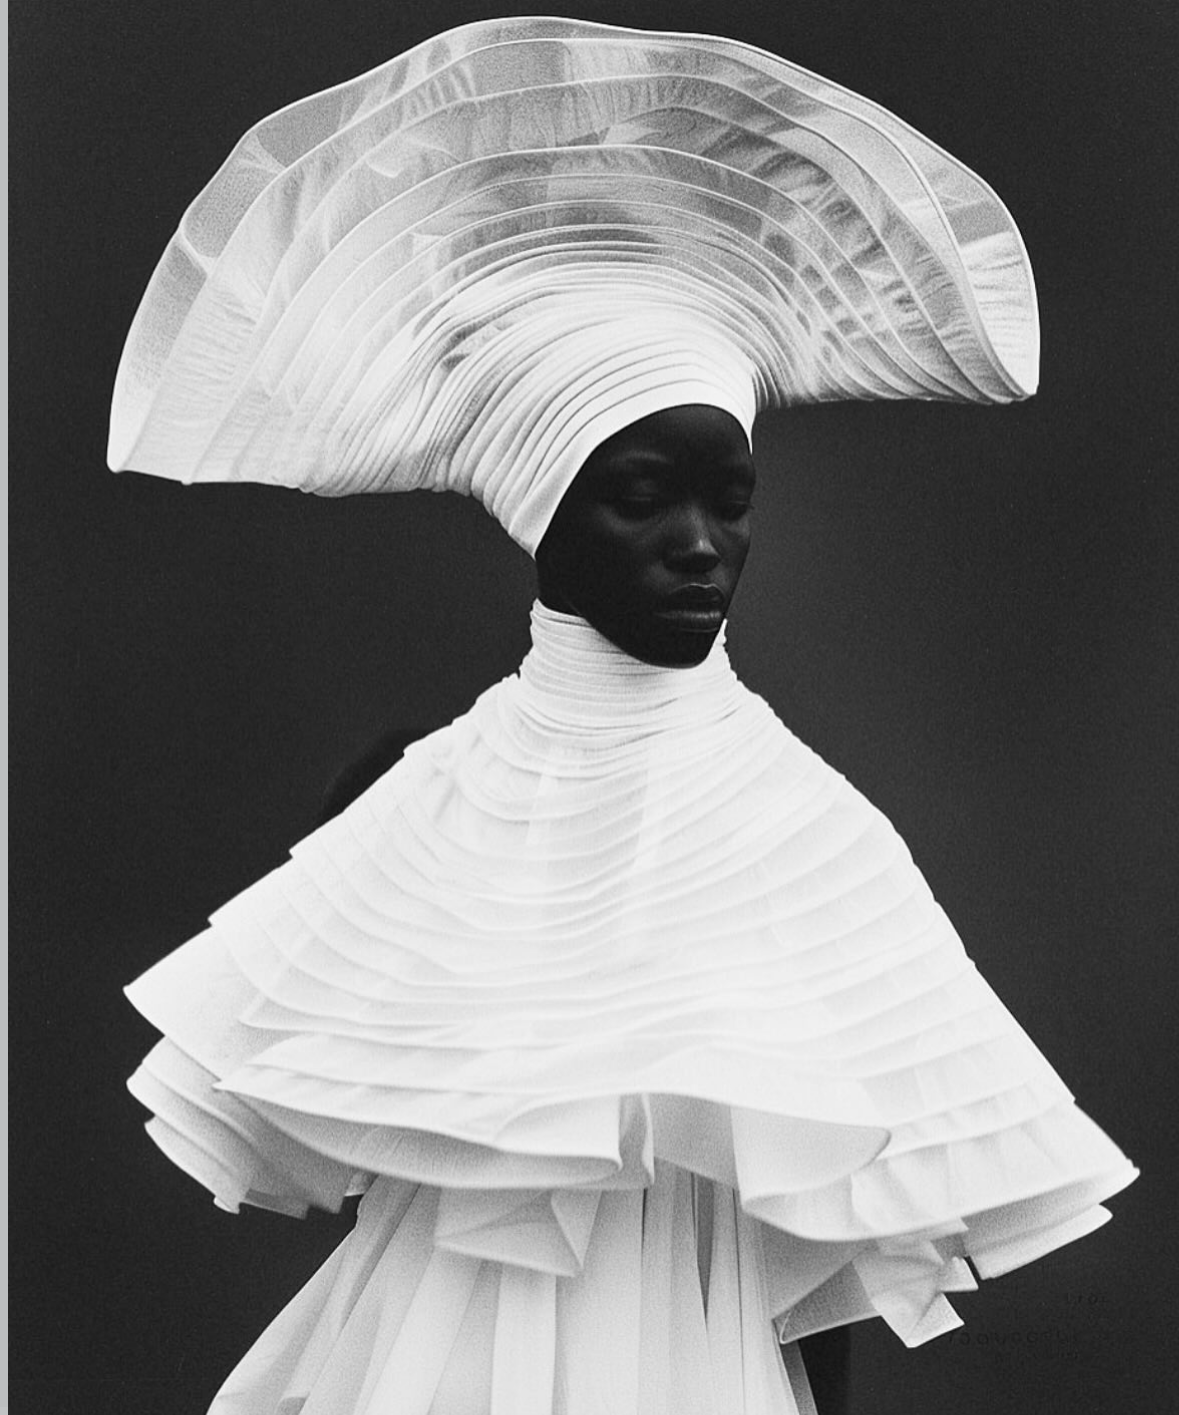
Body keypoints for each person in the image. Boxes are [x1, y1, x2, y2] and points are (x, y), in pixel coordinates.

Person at [109, 18, 1136, 1414]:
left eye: (729, 500)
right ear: (541, 508)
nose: (701, 543)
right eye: (642, 496)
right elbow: (391, 1152)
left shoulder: (799, 833)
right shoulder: (409, 806)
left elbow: (821, 1223)